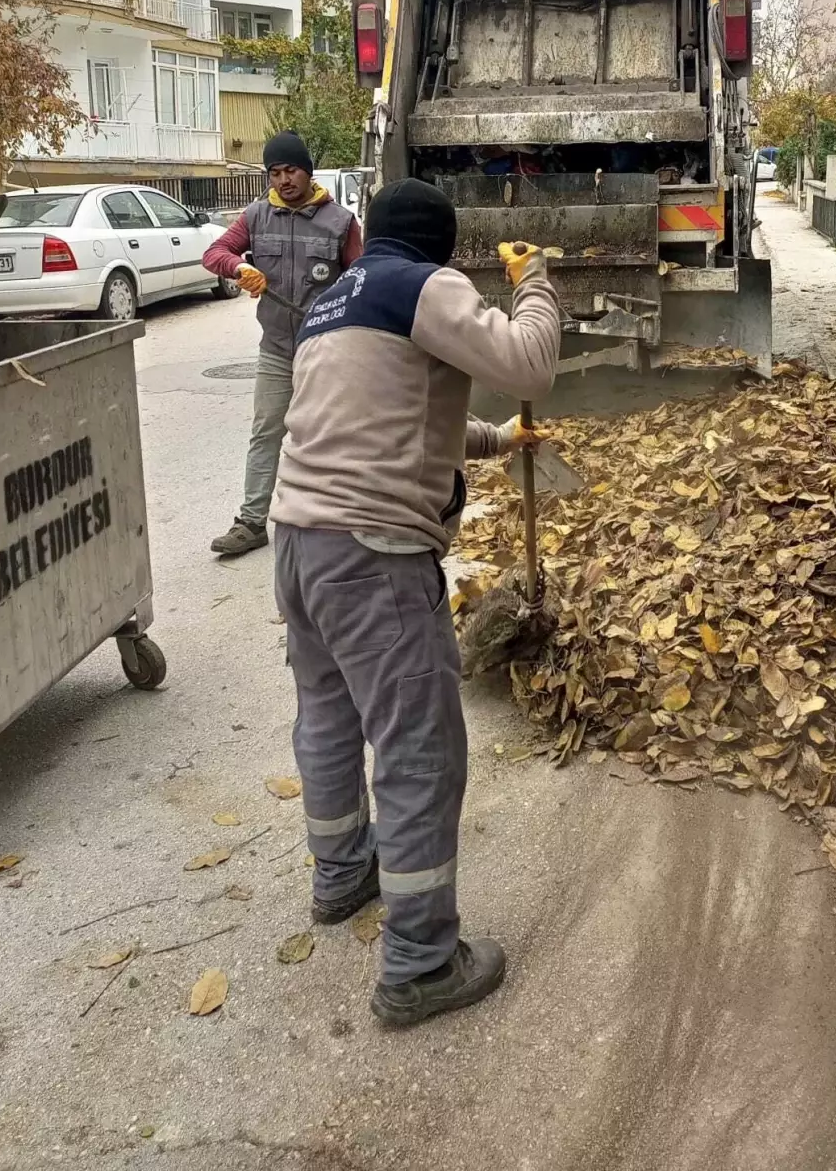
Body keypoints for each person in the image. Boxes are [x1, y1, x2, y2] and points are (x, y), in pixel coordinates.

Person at [270, 178, 560, 1027]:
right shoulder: (425, 285)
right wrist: (535, 281)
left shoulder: (334, 301)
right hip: (370, 557)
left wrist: (500, 441)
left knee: (327, 718)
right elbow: (529, 362)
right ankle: (421, 961)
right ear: (443, 246)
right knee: (419, 748)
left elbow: (388, 418)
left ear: (368, 233)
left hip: (298, 543)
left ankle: (340, 875)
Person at [202, 131, 362, 557]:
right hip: (275, 347)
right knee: (266, 431)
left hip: (324, 348)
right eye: (275, 173)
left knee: (329, 434)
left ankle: (336, 520)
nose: (284, 180)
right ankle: (252, 522)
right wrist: (238, 267)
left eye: (290, 170)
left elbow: (362, 277)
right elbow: (214, 253)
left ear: (307, 170)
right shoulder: (255, 217)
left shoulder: (340, 222)